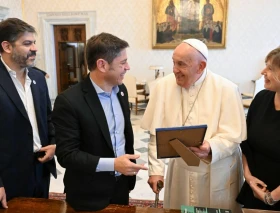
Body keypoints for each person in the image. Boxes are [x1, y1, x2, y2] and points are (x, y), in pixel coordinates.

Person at [141, 38, 246, 212]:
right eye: (173, 63)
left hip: (217, 171)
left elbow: (234, 137)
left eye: (181, 64)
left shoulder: (227, 89)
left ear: (201, 66)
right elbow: (156, 135)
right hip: (182, 169)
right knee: (180, 209)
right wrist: (156, 170)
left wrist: (210, 147)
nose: (175, 70)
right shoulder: (163, 87)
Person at [52, 32, 148, 211]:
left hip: (121, 186)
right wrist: (113, 164)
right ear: (102, 65)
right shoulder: (69, 101)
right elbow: (67, 156)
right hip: (88, 193)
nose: (128, 67)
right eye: (122, 62)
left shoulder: (121, 90)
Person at [0, 18, 56, 208]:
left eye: (34, 42)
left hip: (41, 167)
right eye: (27, 43)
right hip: (8, 175)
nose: (34, 48)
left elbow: (48, 117)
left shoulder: (38, 78)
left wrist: (53, 143)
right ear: (7, 46)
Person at [236, 47, 280, 210]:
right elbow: (246, 144)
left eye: (270, 68)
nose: (263, 72)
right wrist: (248, 177)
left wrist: (271, 197)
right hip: (255, 192)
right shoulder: (261, 99)